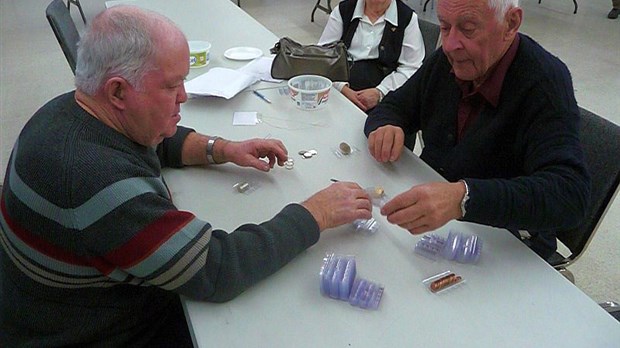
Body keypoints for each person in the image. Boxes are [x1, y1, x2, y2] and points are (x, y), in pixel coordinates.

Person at [0, 6, 373, 347]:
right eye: (170, 86)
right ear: (117, 91)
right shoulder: (97, 181)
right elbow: (216, 268)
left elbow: (151, 141)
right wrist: (315, 214)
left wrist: (223, 148)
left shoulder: (72, 110)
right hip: (97, 332)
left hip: (64, 305)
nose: (184, 97)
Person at [363, 0, 591, 260]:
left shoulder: (544, 83)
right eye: (444, 27)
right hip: (435, 231)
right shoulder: (448, 60)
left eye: (468, 29)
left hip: (504, 246)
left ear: (511, 23)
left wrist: (463, 197)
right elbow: (394, 105)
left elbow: (570, 195)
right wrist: (386, 125)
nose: (449, 44)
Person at [318, 0, 425, 112]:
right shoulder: (344, 10)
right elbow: (324, 56)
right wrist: (341, 88)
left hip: (385, 95)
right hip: (341, 88)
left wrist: (380, 92)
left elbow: (411, 67)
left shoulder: (406, 18)